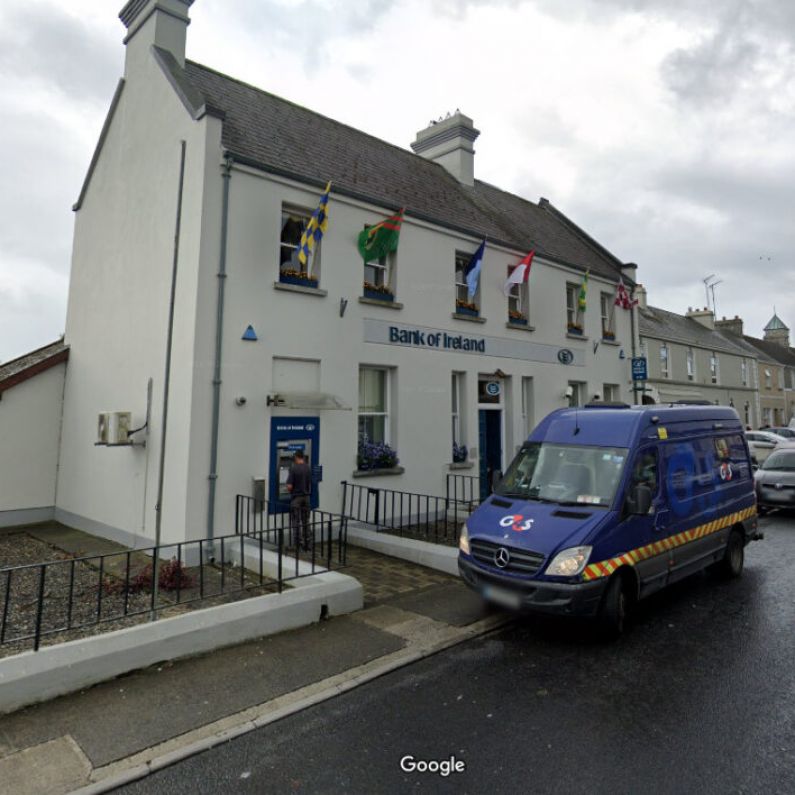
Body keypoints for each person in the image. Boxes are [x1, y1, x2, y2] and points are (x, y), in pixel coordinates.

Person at [286, 450, 312, 550]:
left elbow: (289, 486)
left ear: (296, 457)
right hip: (306, 498)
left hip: (296, 498)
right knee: (306, 521)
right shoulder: (308, 468)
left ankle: (299, 545)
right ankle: (308, 544)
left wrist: (289, 488)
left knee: (296, 522)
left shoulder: (294, 469)